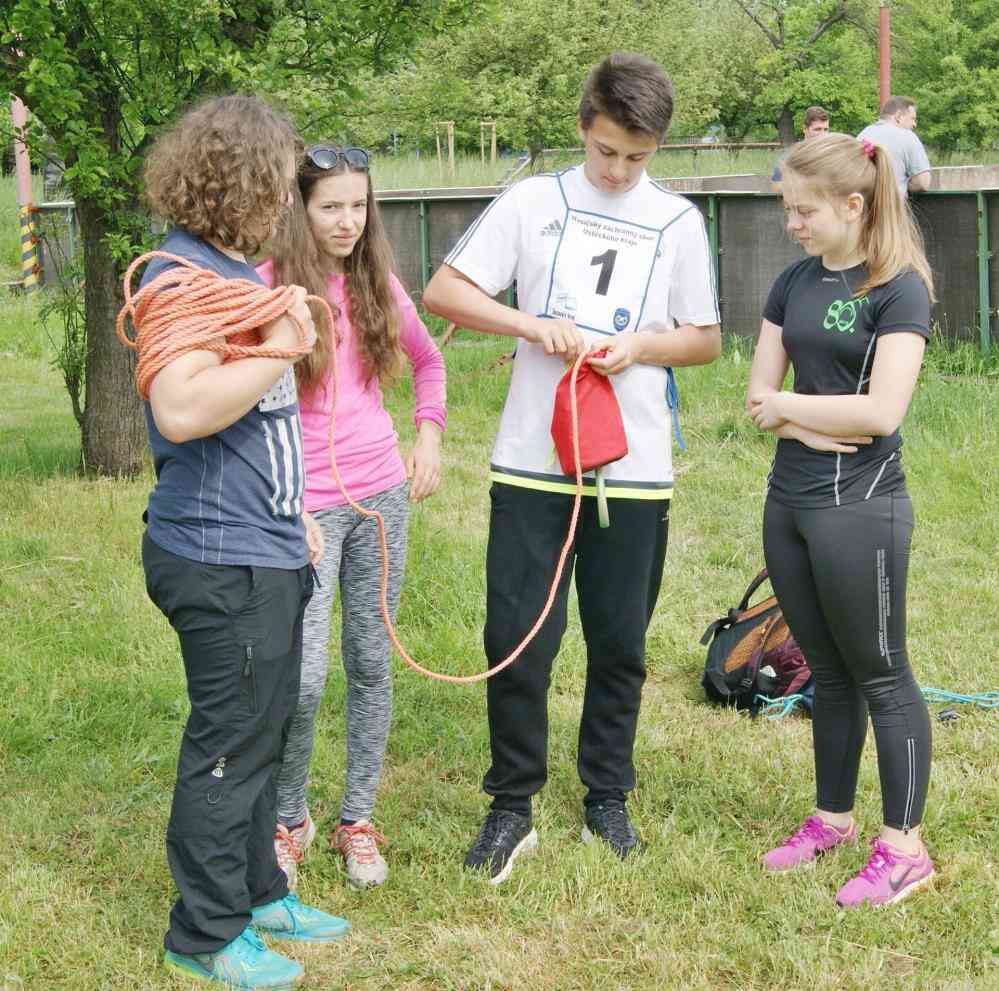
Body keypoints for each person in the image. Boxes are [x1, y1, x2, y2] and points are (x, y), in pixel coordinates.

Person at [423, 52, 721, 883]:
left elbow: (703, 339)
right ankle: (510, 801)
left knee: (619, 639)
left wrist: (642, 346)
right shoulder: (531, 202)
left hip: (633, 465)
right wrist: (529, 324)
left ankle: (607, 795)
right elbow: (444, 291)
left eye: (637, 156)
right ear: (582, 127)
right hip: (532, 460)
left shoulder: (677, 220)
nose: (619, 170)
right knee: (518, 636)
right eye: (605, 152)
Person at [139, 96, 351, 989]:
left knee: (265, 727)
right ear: (246, 183)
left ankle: (259, 892)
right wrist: (282, 347)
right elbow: (182, 408)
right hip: (218, 555)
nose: (289, 202)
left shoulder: (229, 273)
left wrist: (289, 508)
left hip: (264, 543)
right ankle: (204, 932)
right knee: (228, 742)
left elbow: (254, 431)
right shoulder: (179, 278)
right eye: (281, 183)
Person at [746, 132, 936, 908]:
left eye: (804, 210)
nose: (791, 223)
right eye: (787, 209)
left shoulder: (899, 289)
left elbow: (881, 412)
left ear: (852, 205)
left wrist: (790, 408)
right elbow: (756, 396)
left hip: (860, 508)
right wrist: (803, 416)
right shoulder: (791, 281)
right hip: (788, 502)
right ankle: (832, 818)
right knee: (826, 671)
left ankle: (905, 849)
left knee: (880, 673)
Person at [258, 144, 446, 891]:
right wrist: (280, 497)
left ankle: (357, 819)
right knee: (302, 678)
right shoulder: (267, 287)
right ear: (299, 210)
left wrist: (427, 435)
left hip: (379, 499)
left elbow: (429, 362)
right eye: (330, 205)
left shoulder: (377, 283)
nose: (347, 220)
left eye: (358, 205)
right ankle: (289, 817)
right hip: (302, 508)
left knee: (370, 661)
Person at [857, 97, 931, 199]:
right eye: (912, 119)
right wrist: (901, 186)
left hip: (862, 205)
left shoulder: (862, 135)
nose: (914, 124)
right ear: (899, 116)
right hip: (892, 205)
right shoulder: (908, 136)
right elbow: (922, 183)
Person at [771, 106, 830, 192]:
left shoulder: (832, 155)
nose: (823, 134)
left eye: (826, 129)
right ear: (805, 129)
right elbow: (776, 187)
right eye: (817, 129)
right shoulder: (790, 156)